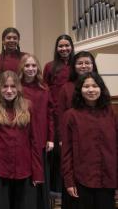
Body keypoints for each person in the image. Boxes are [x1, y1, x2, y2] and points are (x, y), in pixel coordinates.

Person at [0, 71, 43, 209]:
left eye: (13, 86)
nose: (9, 90)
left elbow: (35, 141)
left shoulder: (28, 107)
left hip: (25, 169)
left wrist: (37, 173)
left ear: (18, 88)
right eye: (5, 86)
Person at [61, 72, 117, 209]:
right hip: (82, 179)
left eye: (94, 86)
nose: (91, 90)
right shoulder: (70, 115)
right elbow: (66, 152)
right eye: (86, 86)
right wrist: (69, 181)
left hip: (108, 178)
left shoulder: (111, 113)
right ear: (80, 90)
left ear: (101, 89)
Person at [18, 54, 55, 209]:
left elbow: (50, 115)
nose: (31, 69)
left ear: (38, 68)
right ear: (21, 68)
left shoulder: (45, 89)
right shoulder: (17, 88)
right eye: (27, 66)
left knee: (41, 177)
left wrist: (51, 138)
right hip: (22, 139)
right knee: (26, 177)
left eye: (34, 66)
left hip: (40, 139)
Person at [42, 34, 74, 193]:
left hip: (72, 113)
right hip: (55, 114)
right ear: (56, 48)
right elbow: (45, 89)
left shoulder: (76, 65)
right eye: (60, 46)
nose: (64, 49)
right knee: (56, 153)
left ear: (71, 47)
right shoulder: (49, 67)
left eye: (66, 45)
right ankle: (55, 189)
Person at [57, 51, 98, 140]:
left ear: (93, 65)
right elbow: (60, 115)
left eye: (87, 63)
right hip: (73, 133)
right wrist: (61, 138)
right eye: (80, 63)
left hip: (96, 132)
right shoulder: (66, 88)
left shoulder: (99, 85)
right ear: (74, 67)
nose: (83, 66)